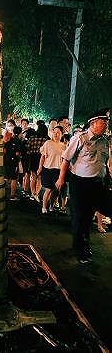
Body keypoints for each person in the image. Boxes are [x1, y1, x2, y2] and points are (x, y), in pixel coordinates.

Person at [56, 108, 111, 264]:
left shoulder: (105, 141)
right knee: (79, 217)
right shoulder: (79, 138)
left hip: (98, 184)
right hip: (80, 183)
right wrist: (61, 179)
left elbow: (105, 163)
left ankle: (84, 244)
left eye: (107, 122)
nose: (106, 124)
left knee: (88, 217)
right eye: (103, 122)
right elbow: (66, 159)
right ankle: (80, 249)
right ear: (93, 123)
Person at [37, 125, 66, 214]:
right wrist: (40, 168)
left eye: (58, 132)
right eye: (54, 132)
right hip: (48, 169)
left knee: (56, 190)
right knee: (48, 189)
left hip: (58, 170)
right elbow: (42, 157)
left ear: (62, 134)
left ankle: (51, 206)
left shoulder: (63, 146)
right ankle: (44, 207)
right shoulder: (48, 143)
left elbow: (65, 160)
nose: (56, 134)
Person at [3, 126, 25, 201]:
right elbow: (17, 153)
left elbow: (4, 151)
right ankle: (12, 195)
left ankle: (2, 193)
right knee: (14, 178)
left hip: (6, 161)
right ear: (19, 133)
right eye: (21, 133)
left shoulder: (8, 141)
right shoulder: (19, 142)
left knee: (6, 177)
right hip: (14, 162)